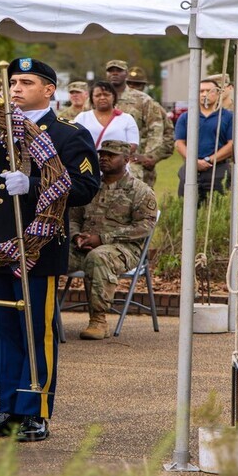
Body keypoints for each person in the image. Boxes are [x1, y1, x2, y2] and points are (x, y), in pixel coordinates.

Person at [0, 57, 100, 443]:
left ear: (49, 89)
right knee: (1, 331)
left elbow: (85, 188)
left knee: (34, 331)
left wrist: (32, 184)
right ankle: (7, 409)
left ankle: (34, 412)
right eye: (12, 81)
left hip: (37, 249)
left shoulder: (67, 134)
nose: (15, 88)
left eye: (26, 82)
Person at [68, 140, 157, 340]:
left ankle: (98, 321)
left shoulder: (140, 191)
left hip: (122, 249)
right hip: (83, 246)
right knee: (50, 254)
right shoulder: (90, 186)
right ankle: (43, 317)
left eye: (111, 155)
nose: (104, 159)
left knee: (98, 257)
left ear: (126, 160)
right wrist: (75, 236)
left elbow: (144, 227)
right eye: (102, 155)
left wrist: (103, 238)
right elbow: (72, 218)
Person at [104, 60, 174, 188]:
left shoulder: (143, 100)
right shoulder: (97, 98)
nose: (114, 74)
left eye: (118, 70)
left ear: (125, 73)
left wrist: (149, 157)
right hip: (103, 162)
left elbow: (156, 131)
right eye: (111, 71)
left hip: (134, 165)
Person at [173, 76, 234, 200]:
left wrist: (209, 160)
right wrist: (194, 161)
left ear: (217, 94)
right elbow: (179, 143)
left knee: (217, 209)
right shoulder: (186, 117)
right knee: (186, 208)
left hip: (218, 170)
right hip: (190, 169)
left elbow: (231, 144)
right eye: (201, 91)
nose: (204, 94)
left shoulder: (228, 117)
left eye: (209, 91)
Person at [74, 80, 140, 152]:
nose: (102, 98)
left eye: (106, 94)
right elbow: (74, 141)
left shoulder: (127, 119)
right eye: (98, 95)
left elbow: (133, 145)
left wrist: (113, 156)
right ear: (92, 98)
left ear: (114, 97)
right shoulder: (82, 118)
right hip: (89, 162)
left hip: (118, 162)